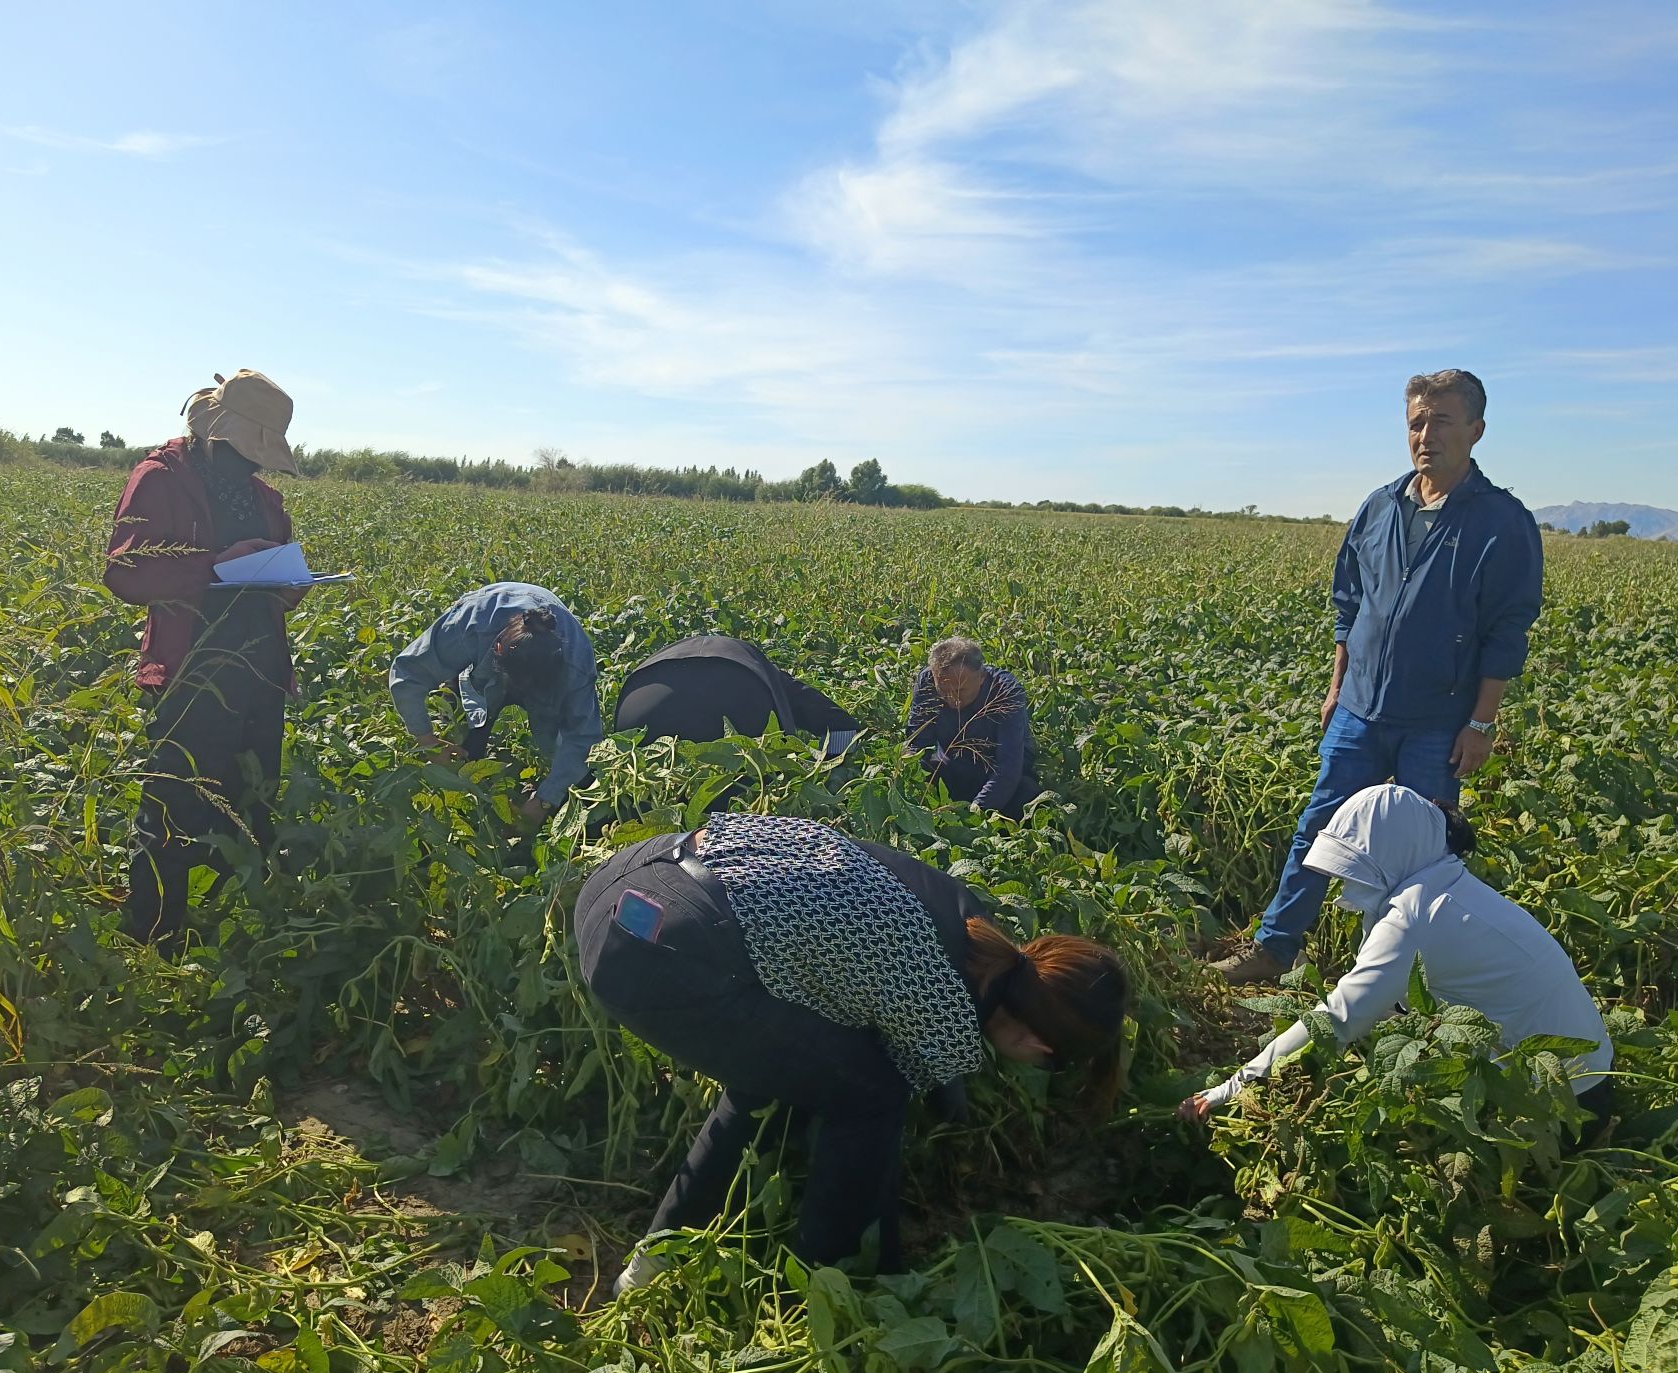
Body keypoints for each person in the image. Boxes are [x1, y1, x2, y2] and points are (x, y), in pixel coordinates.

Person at [573, 812, 1128, 1289]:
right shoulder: (948, 1010)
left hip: (626, 882)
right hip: (650, 954)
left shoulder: (969, 922)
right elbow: (889, 1092)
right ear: (1038, 1042)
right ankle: (838, 1282)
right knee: (870, 1099)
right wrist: (888, 1257)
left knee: (786, 1073)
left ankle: (655, 1259)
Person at [1213, 369, 1543, 984]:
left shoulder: (1502, 521)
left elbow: (1508, 630)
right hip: (1360, 710)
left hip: (1438, 721)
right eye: (1417, 422)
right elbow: (1350, 602)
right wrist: (1337, 686)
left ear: (1476, 430)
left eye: (1442, 421)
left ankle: (1399, 981)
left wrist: (1481, 723)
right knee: (1321, 829)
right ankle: (1274, 949)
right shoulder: (1381, 505)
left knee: (1423, 857)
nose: (1426, 435)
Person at [1182, 785, 1614, 1133]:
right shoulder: (1450, 886)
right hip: (1593, 1078)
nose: (1346, 883)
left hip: (1554, 1107)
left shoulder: (1412, 917)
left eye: (1358, 866)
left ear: (1391, 854)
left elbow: (1338, 1018)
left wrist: (1232, 1088)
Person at [103, 370, 307, 952]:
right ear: (214, 435)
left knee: (250, 802)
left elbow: (276, 587)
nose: (253, 464)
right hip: (190, 669)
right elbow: (125, 572)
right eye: (245, 450)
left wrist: (289, 582)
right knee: (174, 807)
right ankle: (157, 937)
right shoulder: (161, 479)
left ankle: (226, 929)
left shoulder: (266, 500)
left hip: (259, 669)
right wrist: (217, 563)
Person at [387, 582, 602, 826]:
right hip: (483, 642)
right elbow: (407, 674)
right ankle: (469, 799)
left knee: (576, 770)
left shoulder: (575, 664)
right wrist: (427, 741)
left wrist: (545, 799)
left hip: (548, 672)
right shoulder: (471, 625)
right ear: (498, 648)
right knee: (467, 743)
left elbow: (583, 737)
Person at [613, 634, 860, 751]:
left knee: (641, 792)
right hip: (740, 697)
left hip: (639, 700)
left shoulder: (664, 654)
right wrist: (826, 767)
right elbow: (842, 726)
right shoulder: (763, 670)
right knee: (741, 797)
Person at [904, 637, 1039, 817]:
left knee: (1026, 797)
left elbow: (1008, 768)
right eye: (943, 690)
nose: (952, 699)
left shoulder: (1005, 691)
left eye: (960, 690)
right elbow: (918, 744)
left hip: (999, 775)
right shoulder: (927, 681)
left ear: (982, 677)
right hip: (952, 766)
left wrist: (975, 814)